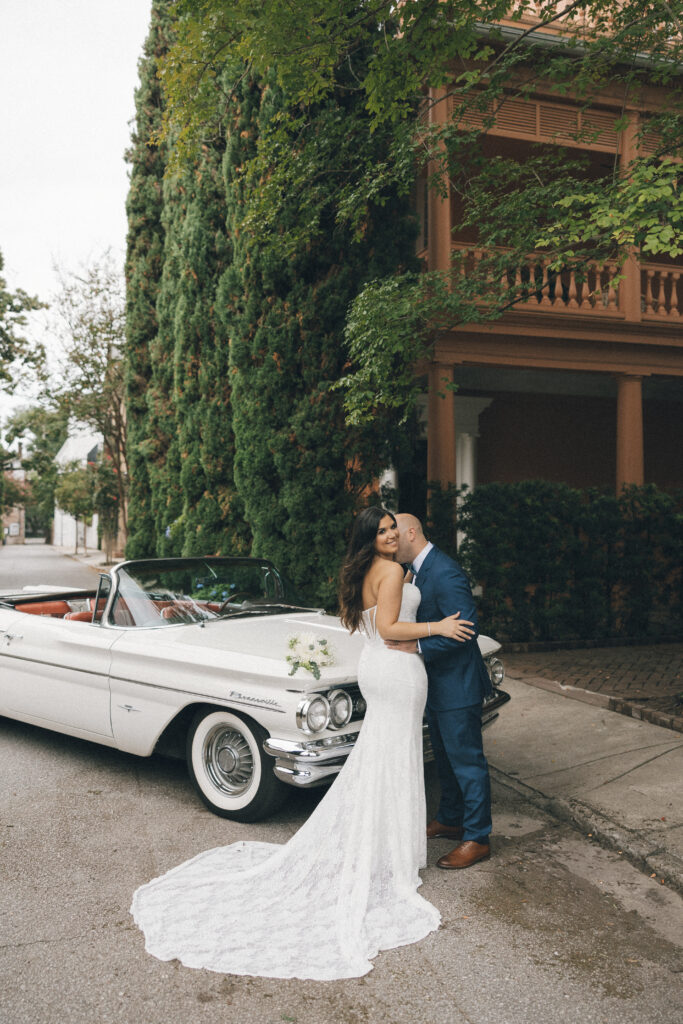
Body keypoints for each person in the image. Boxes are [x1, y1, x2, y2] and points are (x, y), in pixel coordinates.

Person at [130, 506, 473, 980]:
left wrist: (397, 637)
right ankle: (390, 859)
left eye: (393, 527)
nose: (392, 534)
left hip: (380, 668)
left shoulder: (365, 572)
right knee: (395, 760)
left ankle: (383, 851)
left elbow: (370, 627)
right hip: (397, 671)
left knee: (382, 759)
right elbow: (392, 629)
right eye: (382, 530)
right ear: (369, 538)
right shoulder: (392, 571)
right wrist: (437, 627)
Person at [387, 513, 494, 870]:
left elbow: (467, 630)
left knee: (467, 763)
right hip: (434, 686)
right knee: (446, 761)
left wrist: (417, 648)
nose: (389, 541)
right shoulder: (415, 571)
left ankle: (477, 838)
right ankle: (450, 818)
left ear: (412, 533)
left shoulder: (444, 571)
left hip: (457, 686)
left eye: (393, 534)